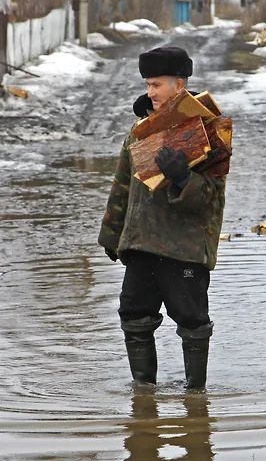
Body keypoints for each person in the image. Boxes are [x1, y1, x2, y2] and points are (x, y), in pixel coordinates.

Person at [98, 46, 228, 390]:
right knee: (134, 316)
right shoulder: (140, 131)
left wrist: (184, 177)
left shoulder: (208, 132)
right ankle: (144, 395)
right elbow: (122, 185)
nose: (149, 92)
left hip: (183, 247)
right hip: (140, 244)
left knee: (193, 322)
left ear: (180, 85)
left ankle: (196, 397)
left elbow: (213, 198)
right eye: (147, 85)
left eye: (156, 85)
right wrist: (112, 235)